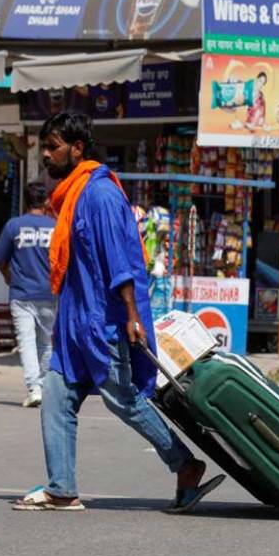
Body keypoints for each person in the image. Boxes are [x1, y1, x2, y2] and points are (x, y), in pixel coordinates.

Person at [12, 112, 224, 512]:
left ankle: (186, 466)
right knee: (56, 397)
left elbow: (121, 262)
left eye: (53, 147)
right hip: (75, 324)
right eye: (45, 147)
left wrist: (130, 315)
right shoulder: (74, 194)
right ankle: (62, 488)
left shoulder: (99, 194)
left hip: (103, 320)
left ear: (77, 149)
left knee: (123, 400)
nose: (46, 155)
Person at [0, 182, 57, 407]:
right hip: (49, 294)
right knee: (46, 343)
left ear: (25, 200)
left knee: (27, 342)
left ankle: (34, 389)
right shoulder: (55, 226)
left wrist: (8, 277)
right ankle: (47, 387)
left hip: (21, 294)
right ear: (46, 201)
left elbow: (1, 260)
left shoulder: (14, 226)